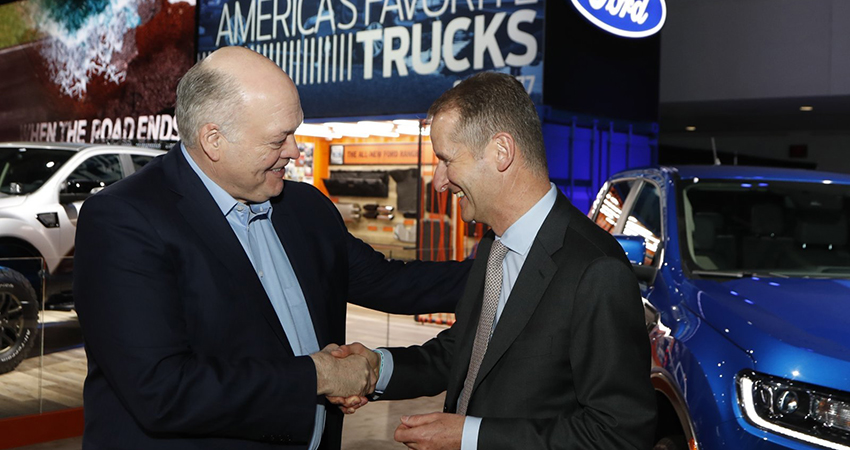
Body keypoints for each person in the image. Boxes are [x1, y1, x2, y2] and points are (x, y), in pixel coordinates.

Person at [73, 46, 469, 450]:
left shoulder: (305, 208)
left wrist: (504, 268)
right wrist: (320, 376)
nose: (295, 151)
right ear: (214, 140)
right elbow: (162, 390)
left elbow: (392, 283)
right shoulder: (125, 219)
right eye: (279, 138)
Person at [336, 72, 657, 449]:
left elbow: (620, 434)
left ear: (501, 152)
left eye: (446, 160)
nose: (439, 182)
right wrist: (376, 369)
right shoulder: (495, 246)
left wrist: (470, 437)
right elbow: (465, 351)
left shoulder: (597, 270)